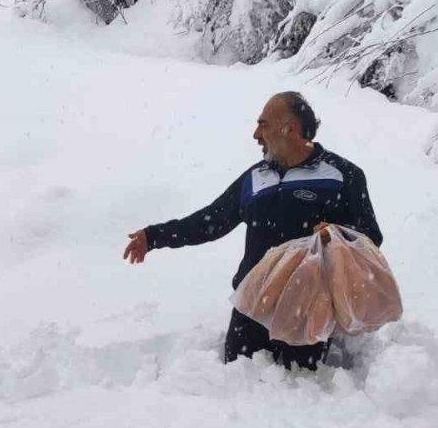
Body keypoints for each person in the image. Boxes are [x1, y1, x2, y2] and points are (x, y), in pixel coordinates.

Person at [123, 92, 383, 368]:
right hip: (253, 303)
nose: (256, 134)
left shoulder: (343, 175)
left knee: (300, 392)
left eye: (264, 124)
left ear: (290, 129)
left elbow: (370, 237)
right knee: (237, 385)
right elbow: (210, 221)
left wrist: (338, 235)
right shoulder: (255, 178)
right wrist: (154, 236)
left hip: (308, 309)